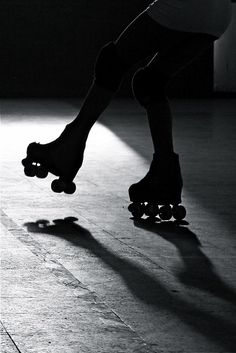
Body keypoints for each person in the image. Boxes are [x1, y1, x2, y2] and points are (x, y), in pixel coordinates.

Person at [22, 0, 232, 220]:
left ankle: (67, 148)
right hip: (219, 17)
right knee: (151, 82)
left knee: (112, 62)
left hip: (185, 7)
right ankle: (165, 175)